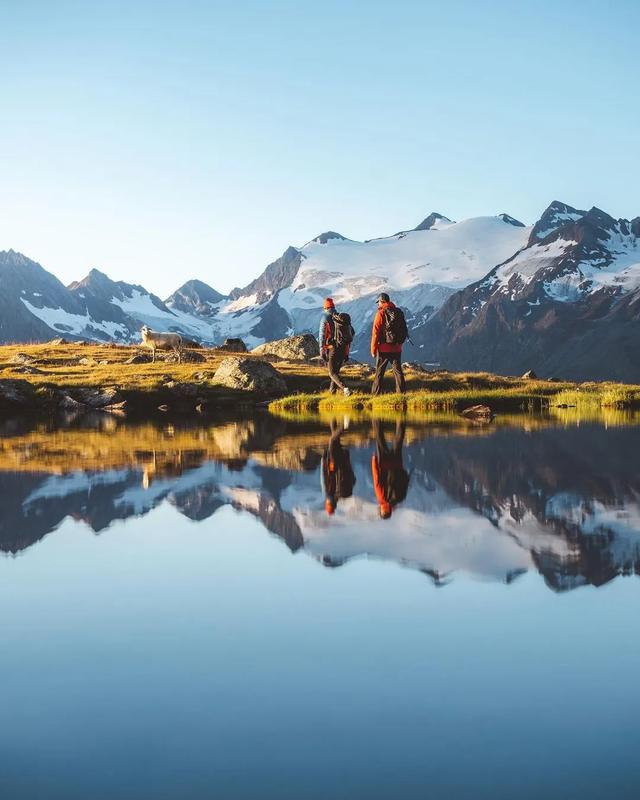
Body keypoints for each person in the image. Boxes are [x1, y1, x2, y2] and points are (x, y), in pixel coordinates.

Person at [371, 419, 409, 519]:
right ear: (383, 510)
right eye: (381, 511)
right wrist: (374, 461)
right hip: (384, 464)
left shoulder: (399, 499)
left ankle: (401, 418)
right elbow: (377, 480)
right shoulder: (381, 497)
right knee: (380, 439)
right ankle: (376, 417)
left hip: (397, 465)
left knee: (398, 440)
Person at [370, 292, 407, 396]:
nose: (378, 304)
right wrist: (399, 344)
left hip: (383, 348)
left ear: (382, 302)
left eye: (378, 302)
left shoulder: (381, 313)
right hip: (397, 348)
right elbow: (403, 329)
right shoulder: (398, 312)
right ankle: (402, 394)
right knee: (398, 372)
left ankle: (375, 395)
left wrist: (373, 350)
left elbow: (375, 333)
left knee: (379, 373)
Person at [318, 297, 352, 396]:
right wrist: (346, 352)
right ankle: (331, 393)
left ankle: (345, 389)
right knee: (335, 372)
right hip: (342, 347)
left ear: (325, 307)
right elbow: (350, 335)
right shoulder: (340, 318)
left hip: (332, 348)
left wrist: (321, 349)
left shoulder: (325, 317)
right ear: (333, 307)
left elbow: (322, 335)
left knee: (332, 373)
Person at [321, 419, 356, 515]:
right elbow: (325, 475)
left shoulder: (340, 494)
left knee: (335, 437)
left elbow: (353, 479)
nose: (327, 502)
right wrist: (324, 459)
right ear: (329, 504)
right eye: (327, 504)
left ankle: (333, 417)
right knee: (332, 441)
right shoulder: (329, 493)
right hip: (334, 462)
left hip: (342, 462)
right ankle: (344, 426)